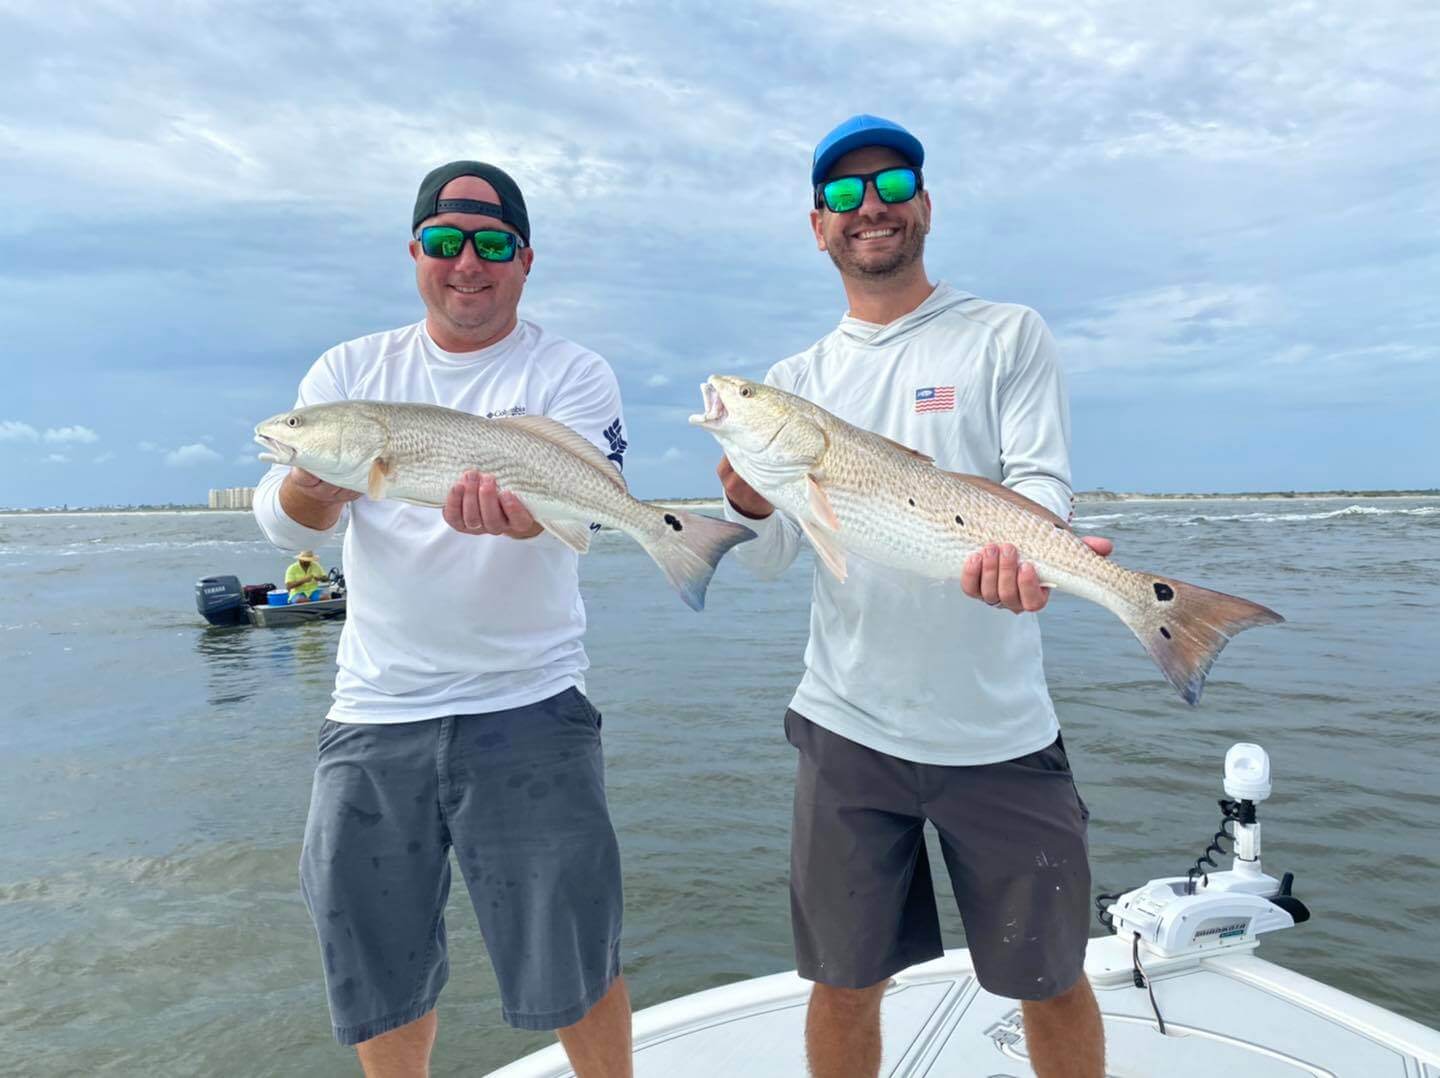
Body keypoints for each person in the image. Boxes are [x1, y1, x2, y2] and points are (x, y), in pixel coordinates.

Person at [716, 115, 1111, 1078]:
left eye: (890, 184)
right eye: (843, 196)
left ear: (925, 204)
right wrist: (745, 491)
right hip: (847, 727)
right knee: (844, 980)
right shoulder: (796, 383)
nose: (870, 208)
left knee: (1050, 977)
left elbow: (1042, 482)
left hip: (1000, 732)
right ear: (819, 227)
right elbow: (772, 558)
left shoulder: (1006, 333)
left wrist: (1039, 550)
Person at [254, 161, 632, 1077]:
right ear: (415, 251)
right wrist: (311, 474)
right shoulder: (352, 373)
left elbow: (588, 509)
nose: (469, 262)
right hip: (375, 709)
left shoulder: (570, 372)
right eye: (447, 241)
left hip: (532, 704)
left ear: (526, 259)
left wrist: (528, 513)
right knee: (376, 959)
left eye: (494, 244)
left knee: (574, 948)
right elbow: (280, 518)